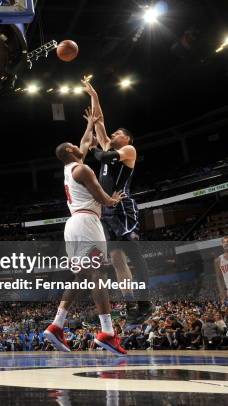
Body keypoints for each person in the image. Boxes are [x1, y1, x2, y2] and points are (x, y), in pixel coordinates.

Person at [44, 137, 127, 356]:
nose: (81, 146)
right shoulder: (83, 170)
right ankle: (108, 332)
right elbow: (104, 200)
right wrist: (114, 199)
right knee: (97, 273)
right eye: (75, 145)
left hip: (72, 224)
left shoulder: (68, 168)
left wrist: (90, 125)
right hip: (88, 222)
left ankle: (56, 325)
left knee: (80, 276)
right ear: (71, 150)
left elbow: (81, 147)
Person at [82, 80, 152, 323]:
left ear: (128, 138)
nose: (113, 135)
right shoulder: (109, 145)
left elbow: (103, 154)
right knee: (116, 259)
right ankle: (130, 300)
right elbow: (100, 122)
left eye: (118, 133)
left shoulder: (129, 151)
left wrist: (93, 148)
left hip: (123, 207)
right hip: (107, 209)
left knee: (135, 256)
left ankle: (146, 301)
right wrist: (95, 95)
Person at [214, 236, 228, 302]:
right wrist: (222, 290)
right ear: (222, 244)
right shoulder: (218, 260)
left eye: (227, 242)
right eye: (224, 242)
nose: (226, 243)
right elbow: (218, 277)